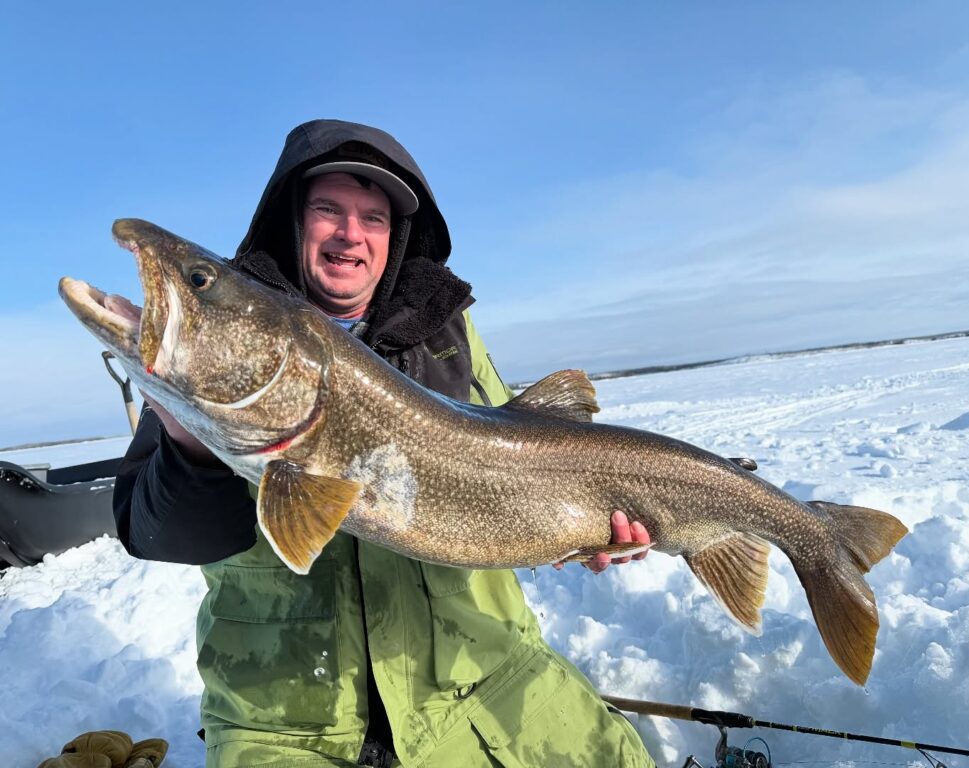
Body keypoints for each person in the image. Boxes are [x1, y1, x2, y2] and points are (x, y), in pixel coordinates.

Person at [113, 119, 655, 768]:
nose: (351, 234)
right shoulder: (218, 342)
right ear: (291, 218)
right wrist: (189, 445)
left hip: (481, 678)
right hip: (283, 720)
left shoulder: (446, 331)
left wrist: (578, 525)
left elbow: (519, 458)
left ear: (395, 239)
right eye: (328, 210)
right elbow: (155, 534)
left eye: (374, 218)